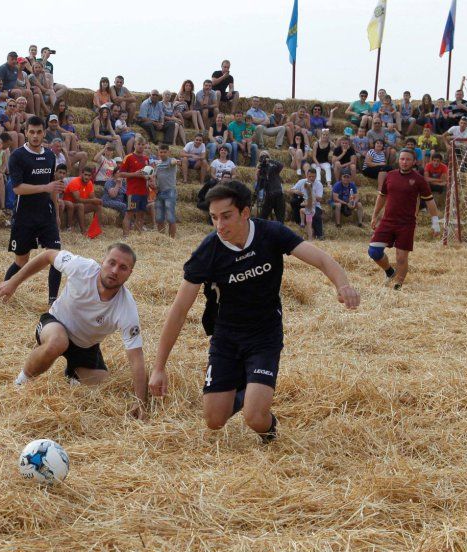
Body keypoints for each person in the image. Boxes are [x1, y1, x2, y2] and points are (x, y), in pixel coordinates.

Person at [149, 180, 360, 443]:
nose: (219, 225)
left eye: (226, 216)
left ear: (245, 212)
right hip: (226, 337)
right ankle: (245, 390)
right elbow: (179, 309)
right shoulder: (208, 251)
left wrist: (343, 285)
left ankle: (269, 430)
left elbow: (321, 259)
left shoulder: (270, 233)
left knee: (255, 418)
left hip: (264, 335)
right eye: (214, 218)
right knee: (214, 421)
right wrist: (159, 367)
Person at [0, 244, 147, 417]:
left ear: (130, 273)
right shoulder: (81, 267)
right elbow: (48, 255)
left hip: (85, 346)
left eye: (123, 267)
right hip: (55, 324)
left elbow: (136, 358)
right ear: (103, 262)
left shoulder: (127, 307)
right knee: (57, 343)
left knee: (105, 385)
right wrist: (13, 282)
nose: (115, 270)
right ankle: (20, 383)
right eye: (112, 263)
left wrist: (140, 402)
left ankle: (72, 373)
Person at [0, 115, 64, 304]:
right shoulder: (17, 156)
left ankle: (52, 303)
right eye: (31, 132)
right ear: (26, 133)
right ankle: (3, 296)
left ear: (44, 133)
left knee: (56, 256)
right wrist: (45, 188)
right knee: (21, 262)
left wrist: (56, 213)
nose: (35, 136)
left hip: (46, 215)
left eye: (39, 132)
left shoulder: (50, 156)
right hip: (24, 216)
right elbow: (17, 188)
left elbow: (53, 187)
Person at [368, 149, 441, 289]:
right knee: (374, 252)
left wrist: (435, 223)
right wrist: (374, 215)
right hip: (387, 221)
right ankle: (389, 272)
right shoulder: (390, 175)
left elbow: (430, 201)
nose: (404, 162)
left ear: (414, 162)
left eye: (408, 159)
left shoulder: (419, 179)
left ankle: (398, 286)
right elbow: (382, 196)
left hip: (406, 224)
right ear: (398, 160)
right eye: (402, 159)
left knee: (401, 258)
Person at [118, 138, 151, 235]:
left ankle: (138, 236)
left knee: (141, 215)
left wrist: (148, 177)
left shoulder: (146, 159)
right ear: (135, 145)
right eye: (138, 144)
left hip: (144, 191)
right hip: (133, 191)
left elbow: (147, 175)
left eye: (142, 144)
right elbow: (121, 174)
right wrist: (135, 174)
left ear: (145, 145)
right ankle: (126, 236)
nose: (140, 146)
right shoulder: (128, 157)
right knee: (129, 214)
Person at [62, 165, 102, 233]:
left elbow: (92, 197)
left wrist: (98, 201)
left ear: (91, 176)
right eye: (85, 174)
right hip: (69, 205)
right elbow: (77, 199)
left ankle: (95, 229)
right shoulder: (75, 182)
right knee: (81, 205)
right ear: (81, 174)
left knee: (98, 206)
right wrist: (93, 200)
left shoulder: (90, 183)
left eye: (89, 175)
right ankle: (83, 231)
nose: (87, 177)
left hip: (80, 205)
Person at [153, 144, 179, 237]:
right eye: (161, 152)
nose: (163, 154)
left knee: (170, 217)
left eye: (165, 152)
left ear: (168, 152)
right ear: (158, 152)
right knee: (159, 218)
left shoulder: (171, 161)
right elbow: (154, 177)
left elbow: (174, 161)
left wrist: (175, 161)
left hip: (169, 191)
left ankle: (171, 239)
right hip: (159, 192)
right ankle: (162, 238)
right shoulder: (158, 164)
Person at [290, 168, 323, 240]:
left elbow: (319, 199)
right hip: (306, 203)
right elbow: (291, 190)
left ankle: (319, 235)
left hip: (314, 206)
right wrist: (297, 192)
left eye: (313, 177)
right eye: (310, 176)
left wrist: (310, 196)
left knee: (315, 217)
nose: (311, 178)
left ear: (316, 176)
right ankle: (299, 222)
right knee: (294, 202)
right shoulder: (302, 181)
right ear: (306, 175)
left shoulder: (318, 184)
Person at [255, 151, 285, 223]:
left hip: (278, 193)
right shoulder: (260, 168)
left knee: (280, 217)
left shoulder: (273, 165)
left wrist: (269, 160)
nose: (264, 157)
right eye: (262, 156)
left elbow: (281, 165)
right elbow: (260, 185)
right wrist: (258, 174)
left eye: (265, 155)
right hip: (269, 194)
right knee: (263, 217)